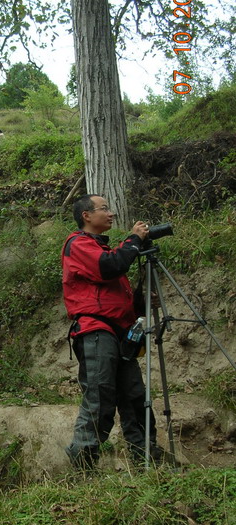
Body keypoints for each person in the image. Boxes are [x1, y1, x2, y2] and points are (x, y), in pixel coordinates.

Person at [61, 194, 160, 469]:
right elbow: (111, 267)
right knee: (100, 396)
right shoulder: (78, 244)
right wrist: (134, 240)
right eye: (104, 208)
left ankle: (147, 459)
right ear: (86, 216)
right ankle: (82, 465)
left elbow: (114, 293)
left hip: (121, 332)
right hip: (95, 330)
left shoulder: (102, 249)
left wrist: (142, 299)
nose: (110, 213)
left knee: (134, 396)